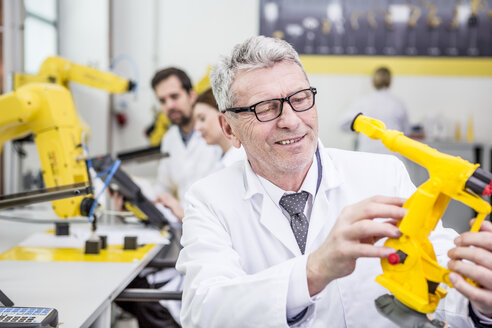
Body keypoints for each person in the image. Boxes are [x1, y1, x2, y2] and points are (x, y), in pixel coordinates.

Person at [176, 36, 492, 327]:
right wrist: (314, 271)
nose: (291, 121)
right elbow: (202, 312)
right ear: (229, 129)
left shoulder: (383, 174)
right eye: (265, 108)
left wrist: (480, 300)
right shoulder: (209, 200)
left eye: (300, 99)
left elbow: (437, 278)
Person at [116, 67, 221, 328]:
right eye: (162, 101)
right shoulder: (170, 139)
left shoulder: (215, 135)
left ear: (191, 94)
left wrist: (179, 208)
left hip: (204, 234)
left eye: (174, 97)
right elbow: (163, 187)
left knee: (152, 301)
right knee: (131, 286)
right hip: (180, 231)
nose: (169, 106)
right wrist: (134, 195)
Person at [339, 66, 411, 155]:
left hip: (368, 154)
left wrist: (359, 127)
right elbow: (406, 132)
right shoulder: (398, 103)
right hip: (392, 155)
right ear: (389, 83)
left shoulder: (362, 101)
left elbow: (343, 124)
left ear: (372, 83)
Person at [193, 88, 245, 170]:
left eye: (202, 119)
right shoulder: (216, 160)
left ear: (223, 118)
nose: (197, 128)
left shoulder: (243, 157)